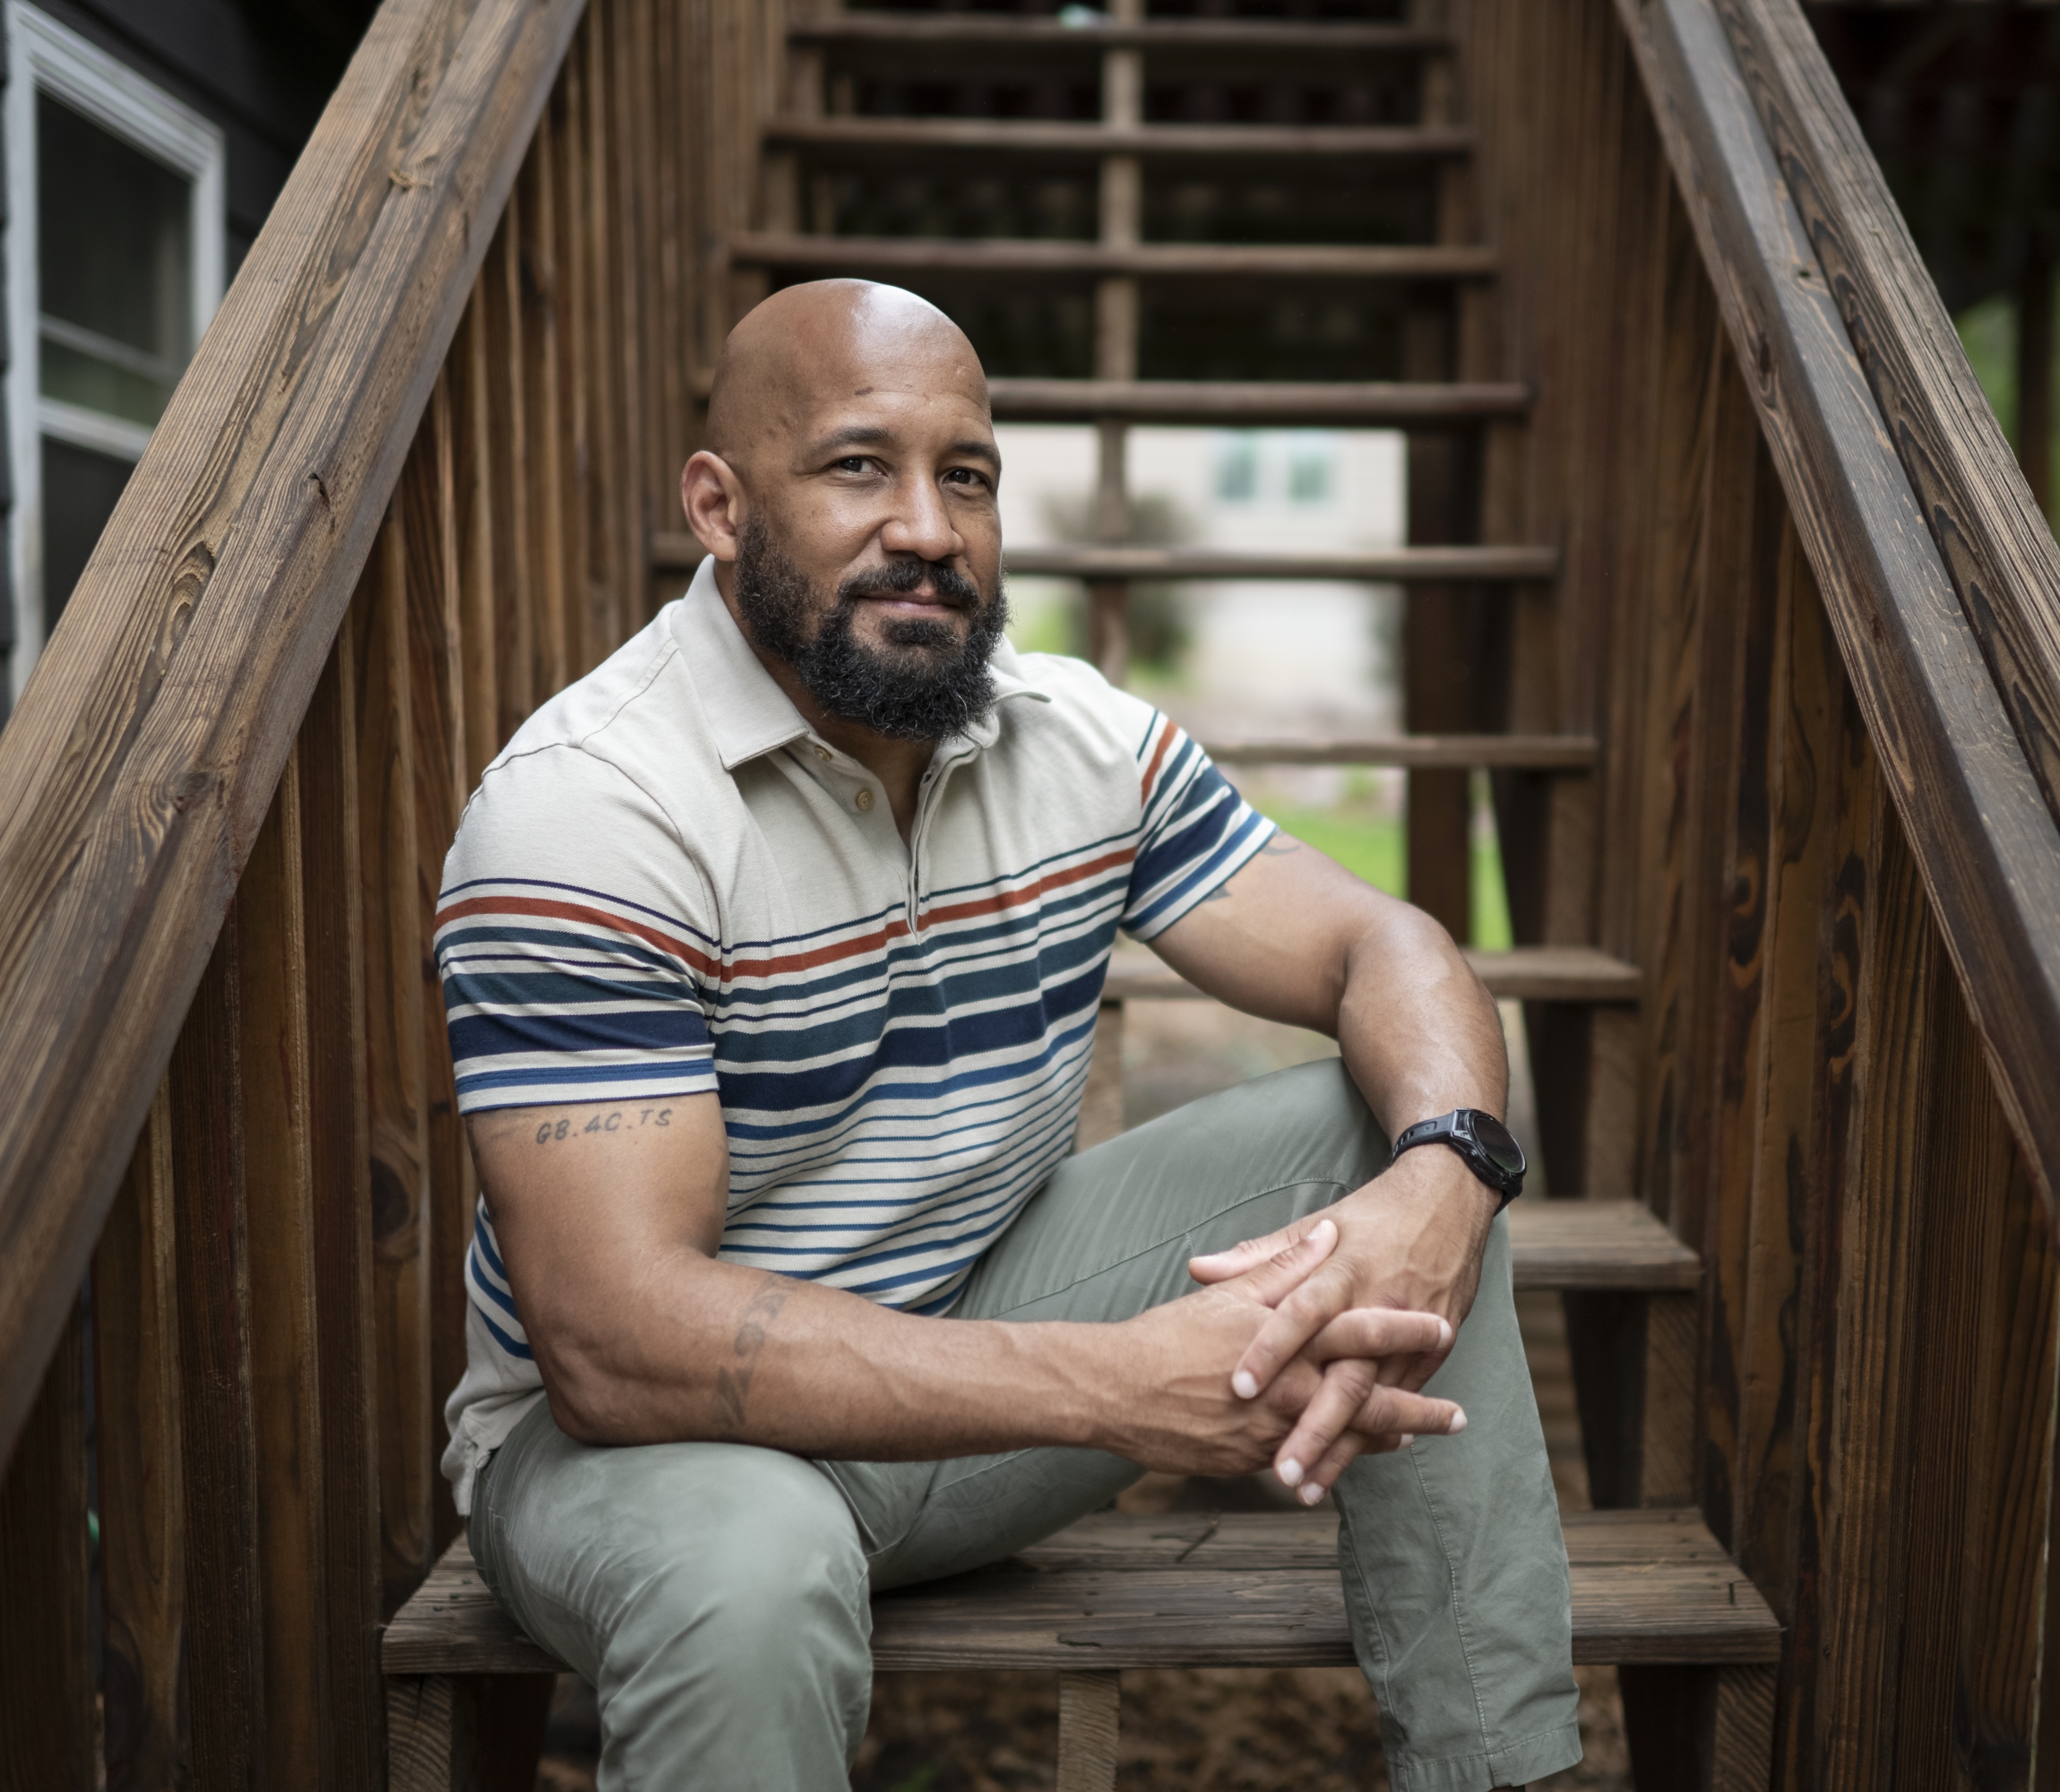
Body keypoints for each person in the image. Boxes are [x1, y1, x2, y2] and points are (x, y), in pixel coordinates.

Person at [435, 278, 1580, 1791]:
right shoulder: (590, 807)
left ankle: (1504, 1770)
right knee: (752, 1574)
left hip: (971, 1357)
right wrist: (1119, 1387)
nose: (927, 527)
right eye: (858, 466)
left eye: (964, 475)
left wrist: (1446, 1179)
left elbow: (1387, 947)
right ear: (719, 506)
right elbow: (614, 1343)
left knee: (1389, 1125)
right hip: (657, 1460)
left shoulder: (1074, 738)